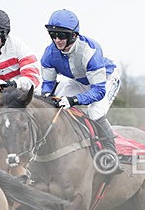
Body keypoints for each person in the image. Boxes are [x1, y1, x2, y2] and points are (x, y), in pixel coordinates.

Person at [40, 9, 122, 174]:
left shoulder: (90, 51)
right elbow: (48, 85)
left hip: (104, 80)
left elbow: (98, 92)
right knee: (56, 102)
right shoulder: (49, 54)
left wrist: (73, 101)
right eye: (53, 35)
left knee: (95, 111)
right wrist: (48, 97)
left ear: (73, 35)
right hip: (78, 81)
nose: (57, 40)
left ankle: (110, 155)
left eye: (61, 35)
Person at [0, 8, 41, 91]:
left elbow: (33, 78)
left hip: (25, 95)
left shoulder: (18, 46)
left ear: (5, 34)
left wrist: (13, 84)